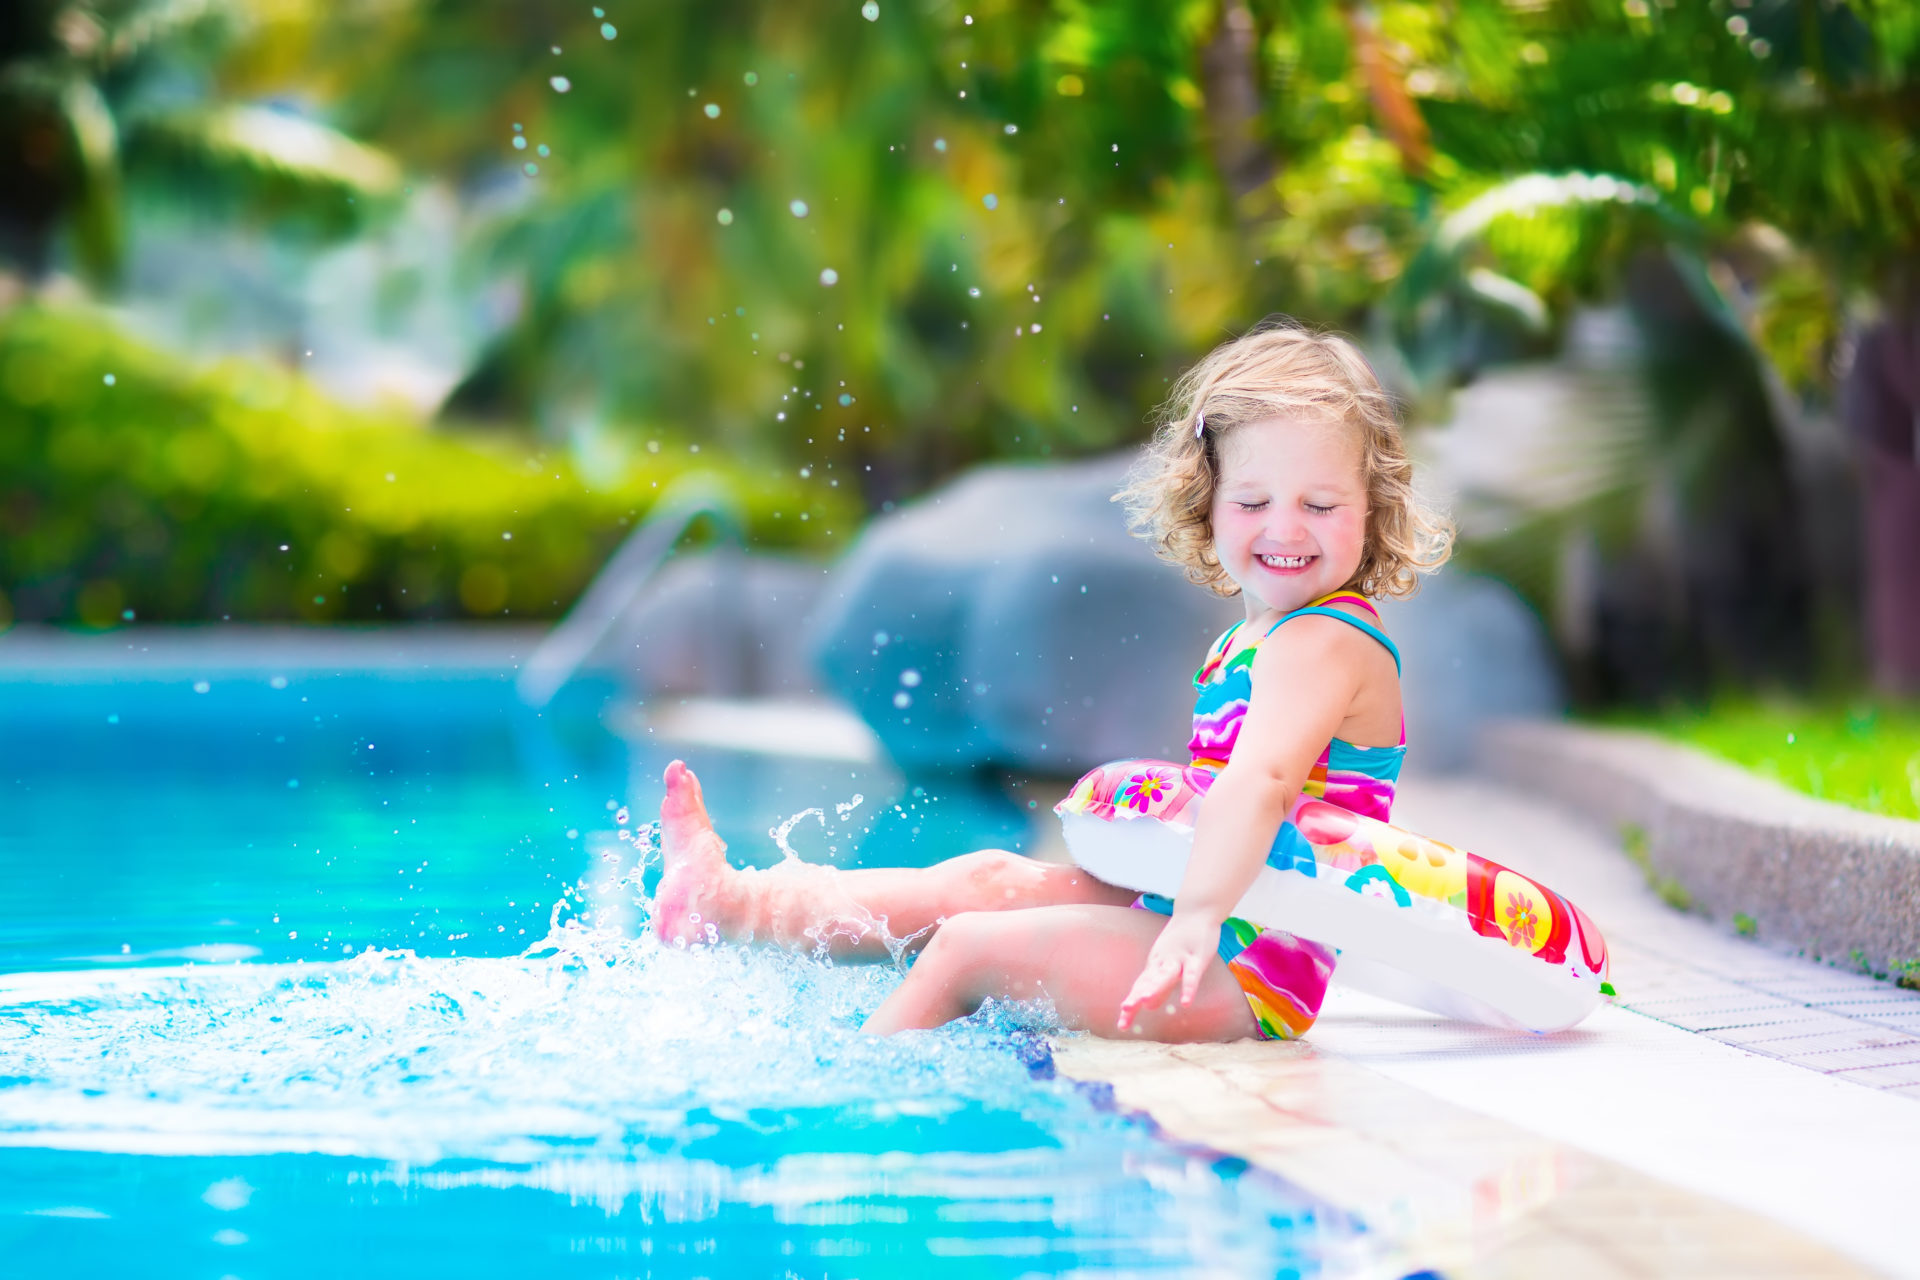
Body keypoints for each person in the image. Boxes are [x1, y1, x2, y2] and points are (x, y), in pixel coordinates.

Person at [650, 319, 1452, 1042]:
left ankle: (850, 1119)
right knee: (982, 879)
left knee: (968, 949)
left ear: (1374, 510)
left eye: (1320, 504)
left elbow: (1261, 785)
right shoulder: (1257, 636)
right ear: (1208, 501)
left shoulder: (1324, 641)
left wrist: (1195, 920)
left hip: (1246, 965)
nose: (1284, 528)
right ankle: (730, 903)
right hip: (1197, 913)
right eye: (1253, 500)